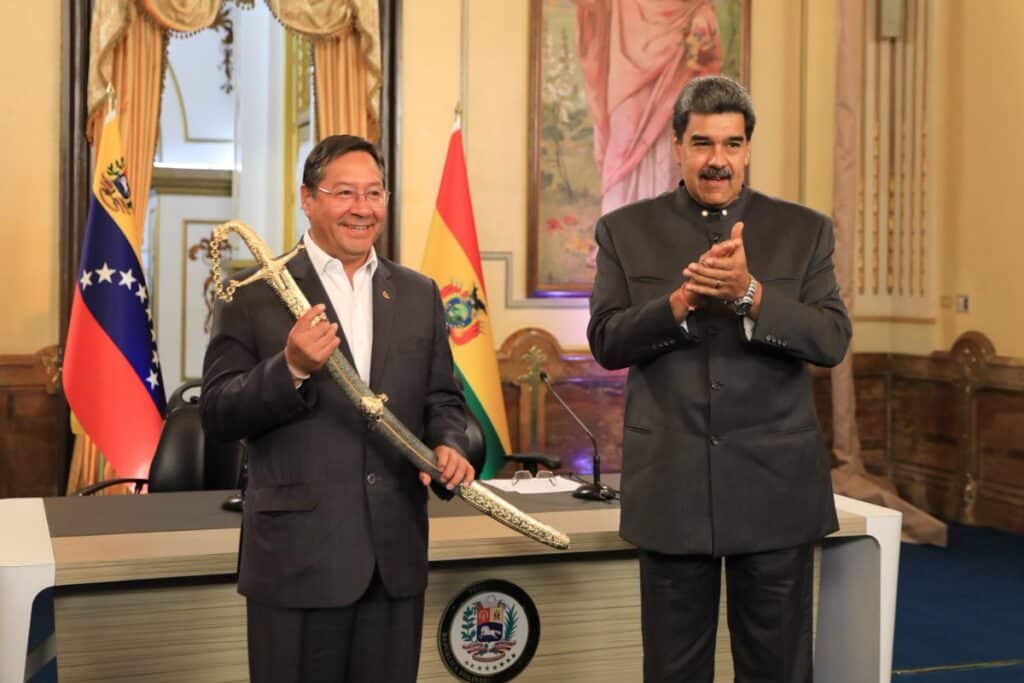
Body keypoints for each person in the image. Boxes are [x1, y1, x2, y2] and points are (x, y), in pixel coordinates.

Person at [587, 75, 851, 682]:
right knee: (674, 670)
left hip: (776, 489)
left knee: (777, 668)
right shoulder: (624, 230)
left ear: (748, 149)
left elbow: (831, 339)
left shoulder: (804, 230)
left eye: (732, 144)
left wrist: (751, 294)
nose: (717, 160)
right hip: (672, 487)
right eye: (703, 143)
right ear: (677, 147)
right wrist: (678, 303)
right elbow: (607, 341)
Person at [201, 134, 475, 683]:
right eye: (344, 193)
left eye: (374, 193)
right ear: (308, 198)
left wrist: (451, 442)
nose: (362, 208)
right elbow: (218, 413)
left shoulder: (418, 293)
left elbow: (442, 398)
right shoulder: (253, 293)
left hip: (394, 561)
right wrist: (291, 367)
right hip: (298, 561)